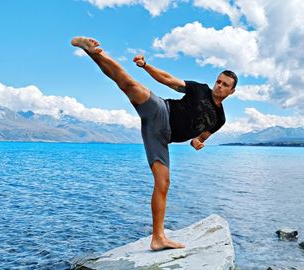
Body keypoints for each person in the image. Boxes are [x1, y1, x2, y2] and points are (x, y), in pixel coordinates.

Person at [71, 36, 237, 251]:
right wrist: (145, 66)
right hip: (160, 111)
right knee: (129, 84)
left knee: (163, 183)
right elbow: (168, 79)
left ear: (231, 92)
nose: (219, 86)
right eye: (219, 81)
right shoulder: (200, 89)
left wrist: (197, 143)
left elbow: (202, 137)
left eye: (225, 85)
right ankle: (95, 53)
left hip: (160, 138)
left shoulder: (220, 119)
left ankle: (158, 238)